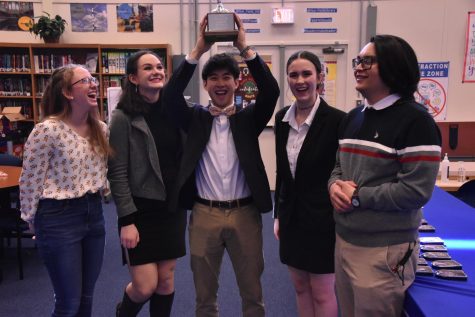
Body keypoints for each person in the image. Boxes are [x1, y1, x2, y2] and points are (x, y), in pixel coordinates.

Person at [161, 14, 279, 317]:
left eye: (227, 77)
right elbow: (170, 96)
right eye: (213, 78)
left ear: (237, 82)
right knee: (204, 297)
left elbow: (272, 92)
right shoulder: (195, 118)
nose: (221, 83)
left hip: (245, 215)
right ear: (206, 84)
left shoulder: (248, 119)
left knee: (253, 294)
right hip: (204, 216)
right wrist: (197, 51)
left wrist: (245, 49)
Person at [328, 35, 442, 317]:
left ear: (394, 66)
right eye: (358, 61)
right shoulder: (352, 118)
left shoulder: (417, 122)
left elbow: (415, 191)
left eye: (368, 60)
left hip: (384, 251)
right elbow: (338, 168)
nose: (359, 67)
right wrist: (333, 186)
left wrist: (356, 197)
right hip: (344, 242)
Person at [19, 64, 110, 317]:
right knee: (68, 303)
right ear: (67, 93)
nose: (94, 84)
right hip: (58, 217)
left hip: (94, 214)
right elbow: (30, 180)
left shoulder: (101, 129)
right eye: (85, 81)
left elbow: (100, 172)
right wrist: (31, 219)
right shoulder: (47, 130)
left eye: (93, 79)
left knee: (86, 299)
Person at [107, 50, 186, 317]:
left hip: (171, 209)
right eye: (148, 68)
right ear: (133, 78)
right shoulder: (122, 118)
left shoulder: (174, 111)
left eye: (160, 66)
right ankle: (123, 313)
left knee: (165, 281)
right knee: (145, 285)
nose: (157, 71)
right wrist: (126, 219)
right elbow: (116, 172)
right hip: (139, 212)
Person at [273, 51, 345, 317]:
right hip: (292, 219)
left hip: (324, 221)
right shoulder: (282, 119)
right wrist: (278, 214)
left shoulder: (338, 121)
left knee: (323, 292)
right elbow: (283, 173)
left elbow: (342, 173)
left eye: (306, 74)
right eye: (293, 75)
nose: (300, 80)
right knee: (300, 287)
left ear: (320, 78)